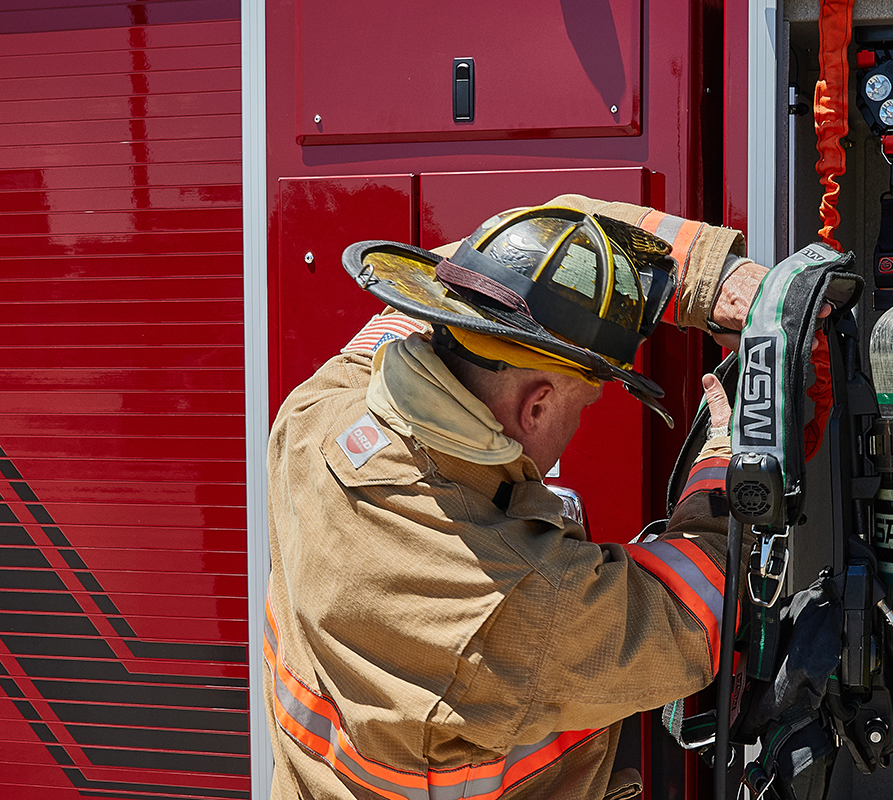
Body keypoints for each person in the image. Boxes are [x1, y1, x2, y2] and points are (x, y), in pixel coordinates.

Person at [264, 196, 764, 800]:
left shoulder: (315, 417)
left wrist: (704, 277)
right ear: (538, 405)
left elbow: (475, 274)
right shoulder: (519, 602)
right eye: (584, 406)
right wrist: (726, 455)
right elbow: (699, 613)